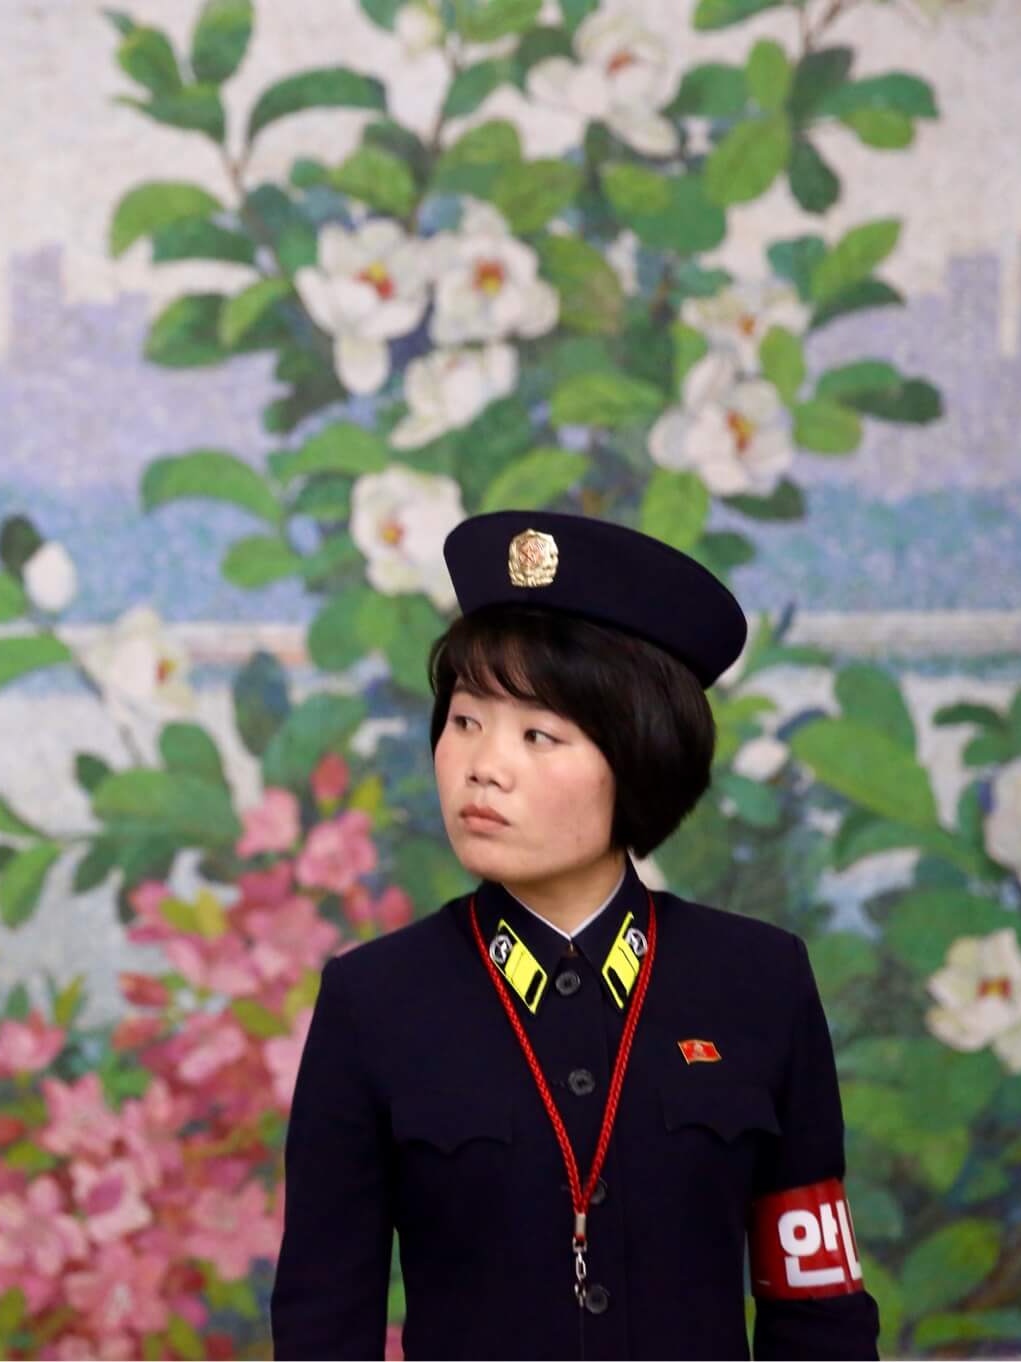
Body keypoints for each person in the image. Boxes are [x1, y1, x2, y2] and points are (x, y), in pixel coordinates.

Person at [269, 509, 880, 1360]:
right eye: (465, 721)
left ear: (640, 758)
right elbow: (321, 1325)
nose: (484, 765)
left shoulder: (760, 983)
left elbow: (818, 1312)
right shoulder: (373, 1001)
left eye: (538, 735)